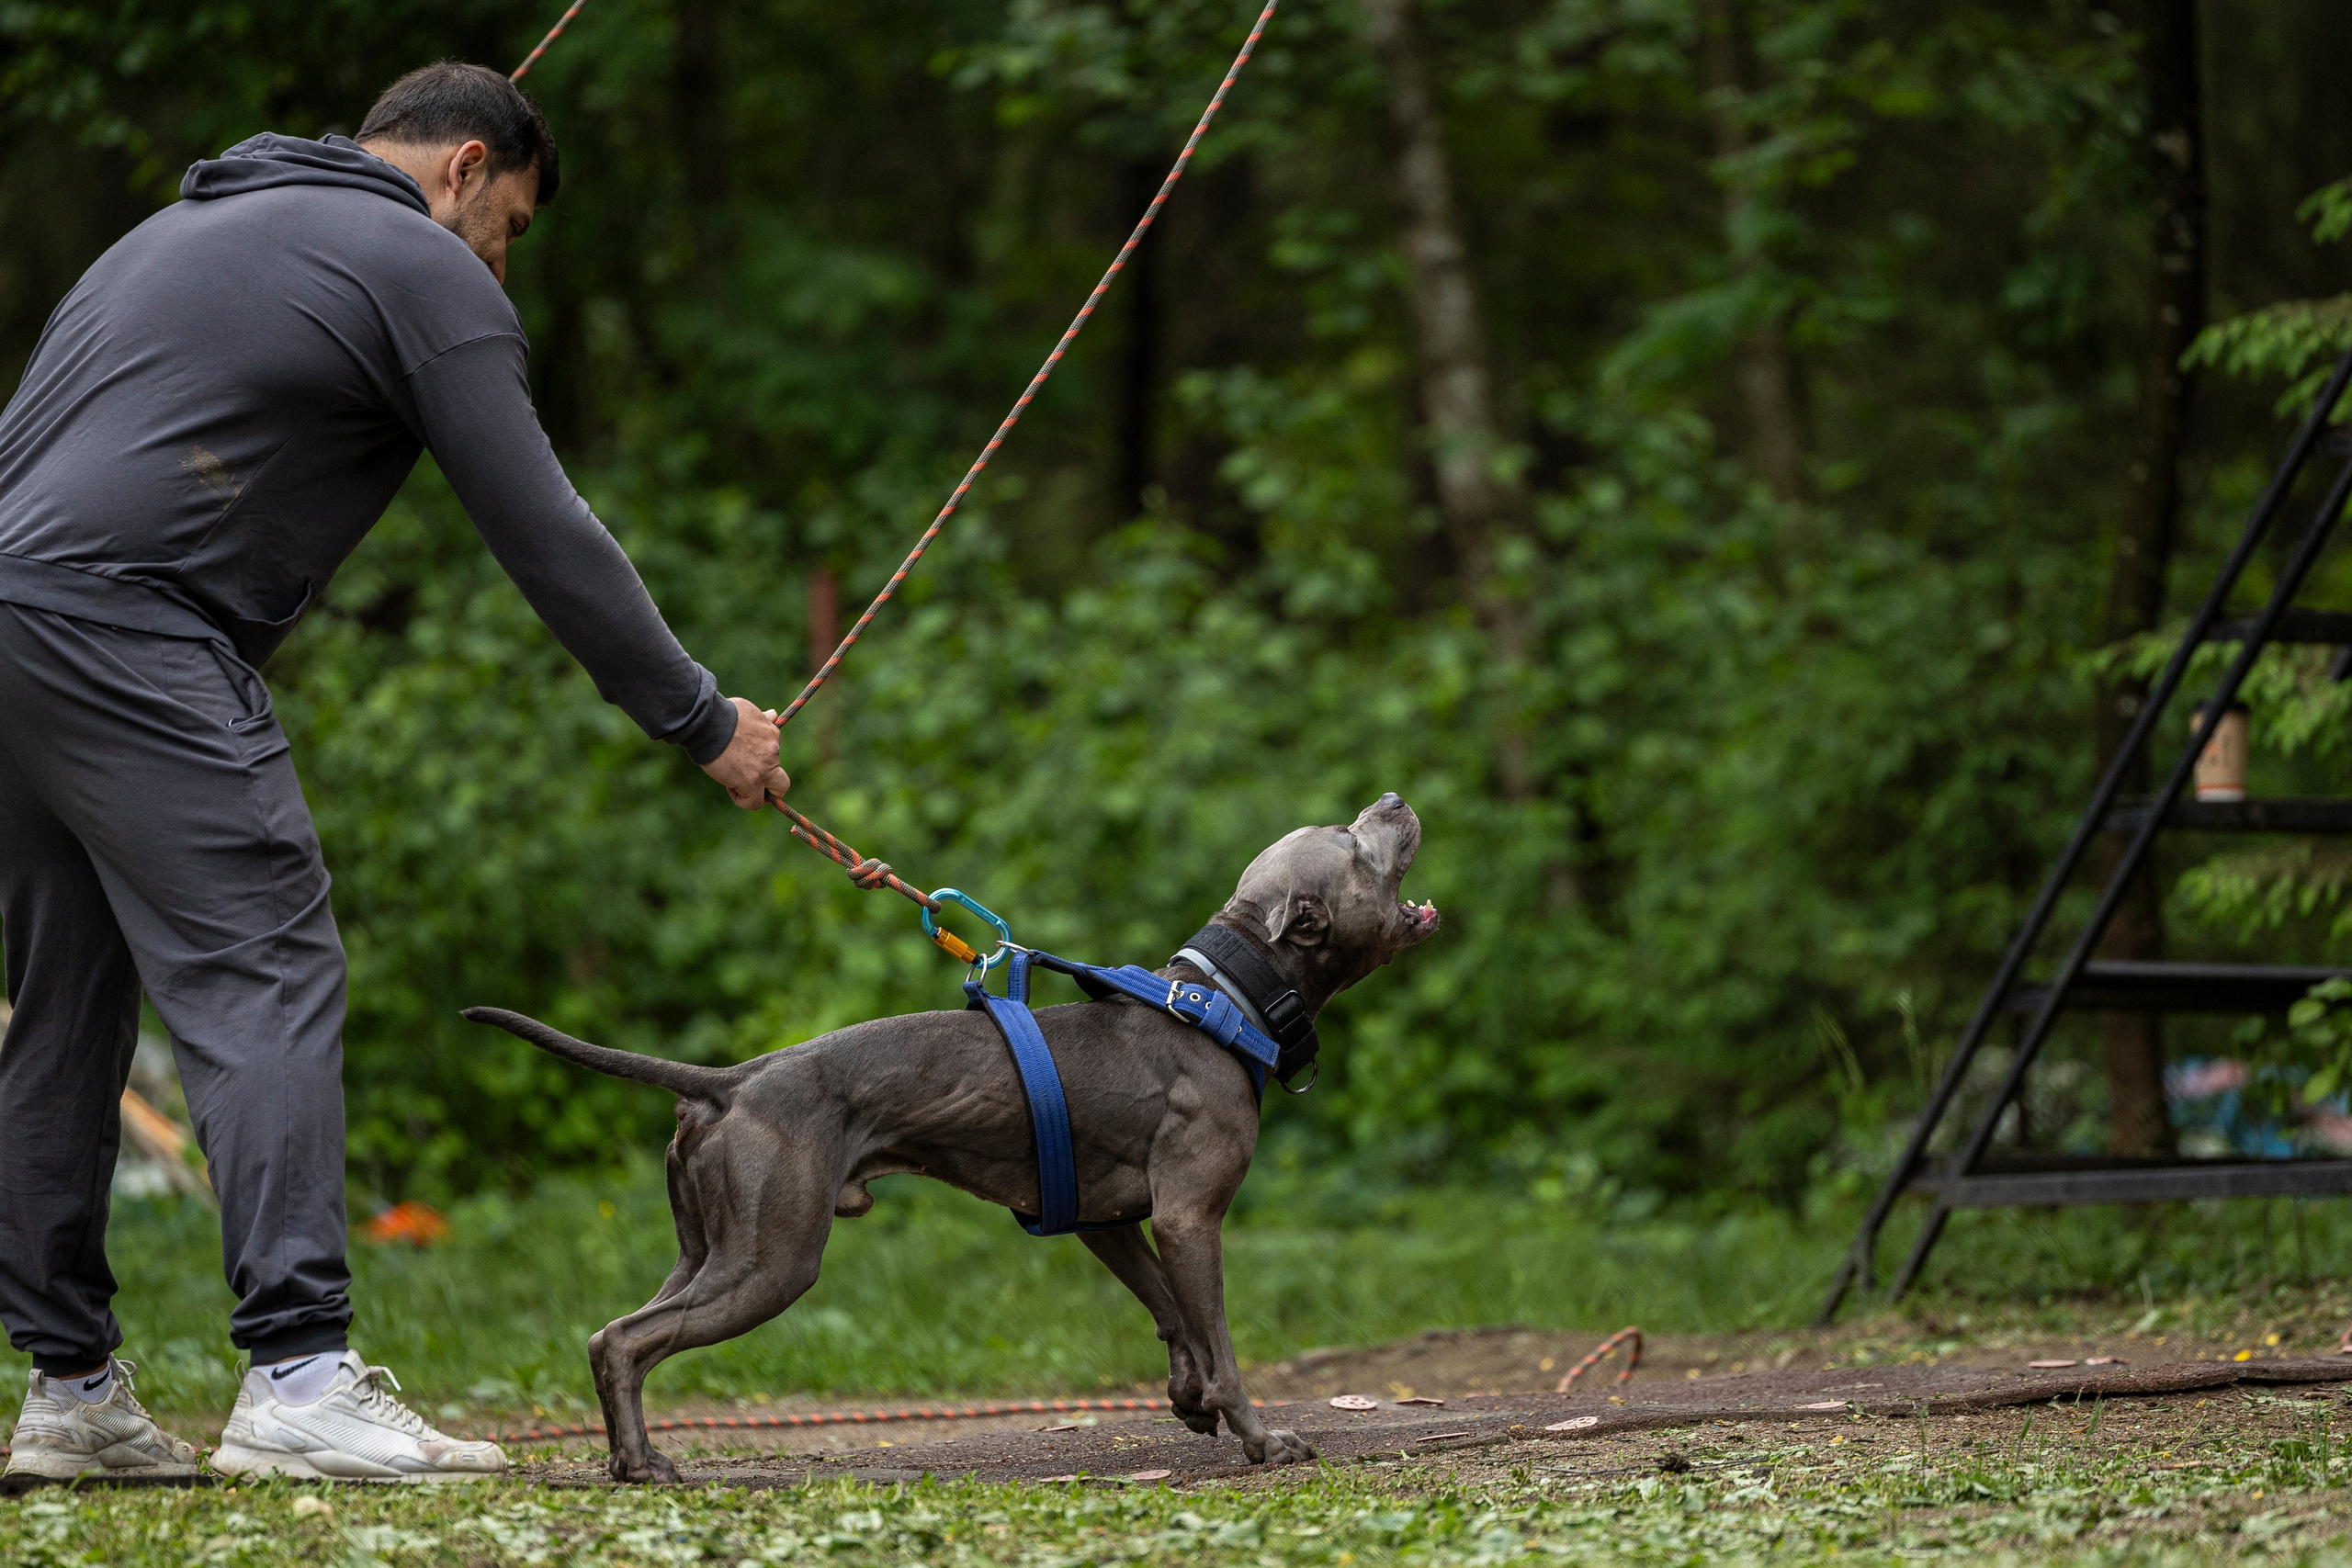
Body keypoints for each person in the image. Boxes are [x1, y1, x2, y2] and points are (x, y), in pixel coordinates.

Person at [0, 62, 789, 1483]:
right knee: (267, 963)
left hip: (13, 621)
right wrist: (697, 719)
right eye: (515, 227)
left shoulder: (174, 235)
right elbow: (549, 534)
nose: (503, 262)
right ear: (465, 167)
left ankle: (69, 1395)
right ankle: (298, 1376)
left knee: (68, 997)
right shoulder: (417, 265)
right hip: (132, 627)